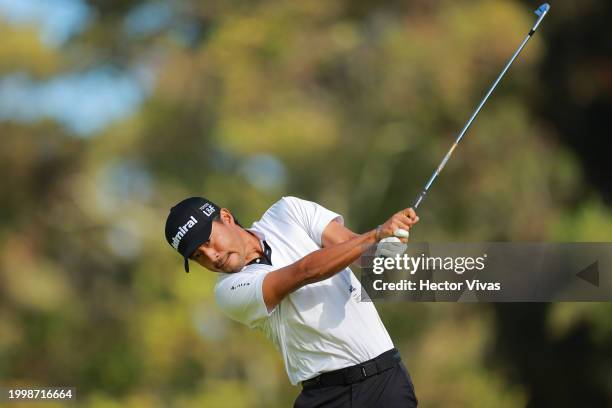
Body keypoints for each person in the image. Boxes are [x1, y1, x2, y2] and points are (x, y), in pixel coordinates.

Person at [164, 196, 419, 407]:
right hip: (326, 398)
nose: (212, 256)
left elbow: (365, 256)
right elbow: (304, 272)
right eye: (199, 255)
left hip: (387, 383)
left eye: (208, 241)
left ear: (227, 218)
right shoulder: (228, 291)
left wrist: (390, 241)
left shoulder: (288, 211)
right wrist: (374, 235)